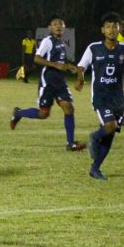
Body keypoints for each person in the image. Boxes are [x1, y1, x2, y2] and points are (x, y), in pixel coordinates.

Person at [10, 15, 86, 151]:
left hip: (60, 81)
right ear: (50, 28)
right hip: (48, 80)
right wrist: (55, 65)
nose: (58, 26)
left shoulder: (62, 43)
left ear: (64, 28)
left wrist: (70, 67)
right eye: (55, 24)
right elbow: (37, 58)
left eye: (61, 24)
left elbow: (61, 63)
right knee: (44, 113)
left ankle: (70, 143)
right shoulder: (48, 41)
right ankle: (18, 113)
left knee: (69, 107)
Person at [75, 12, 124, 180]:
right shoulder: (93, 48)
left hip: (118, 98)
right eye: (108, 26)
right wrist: (80, 78)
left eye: (114, 26)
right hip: (101, 97)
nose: (111, 30)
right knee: (109, 126)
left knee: (110, 135)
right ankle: (93, 138)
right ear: (103, 30)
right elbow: (81, 66)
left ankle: (95, 168)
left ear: (119, 29)